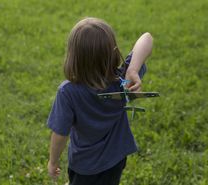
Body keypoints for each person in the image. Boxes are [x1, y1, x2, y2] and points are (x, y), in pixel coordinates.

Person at [47, 17, 153, 185]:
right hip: (116, 160)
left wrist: (53, 161)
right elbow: (147, 38)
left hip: (85, 166)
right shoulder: (123, 81)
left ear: (74, 57)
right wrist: (133, 69)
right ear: (112, 53)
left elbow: (60, 133)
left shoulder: (68, 92)